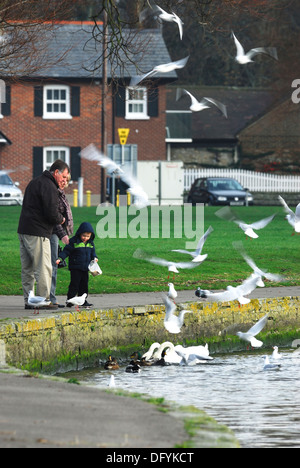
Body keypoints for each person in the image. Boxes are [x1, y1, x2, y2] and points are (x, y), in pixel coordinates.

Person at [18, 159, 70, 310]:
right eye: (64, 177)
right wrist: (62, 219)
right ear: (56, 173)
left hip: (23, 230)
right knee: (44, 267)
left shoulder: (34, 182)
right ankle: (42, 300)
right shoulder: (49, 186)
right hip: (38, 232)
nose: (65, 180)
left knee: (27, 268)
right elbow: (51, 213)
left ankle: (29, 300)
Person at [56, 222, 98, 308]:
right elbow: (66, 251)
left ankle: (83, 300)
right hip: (75, 267)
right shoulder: (73, 242)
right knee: (74, 284)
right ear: (79, 233)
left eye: (88, 236)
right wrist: (60, 258)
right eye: (84, 236)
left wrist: (94, 257)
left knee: (84, 284)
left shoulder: (90, 243)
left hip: (85, 267)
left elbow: (93, 252)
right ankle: (70, 300)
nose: (85, 238)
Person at [50, 172, 74, 308]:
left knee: (53, 265)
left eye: (67, 180)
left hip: (57, 233)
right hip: (53, 233)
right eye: (63, 178)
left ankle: (50, 296)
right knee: (53, 265)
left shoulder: (61, 193)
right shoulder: (55, 194)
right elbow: (55, 217)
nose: (65, 182)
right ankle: (51, 298)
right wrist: (63, 235)